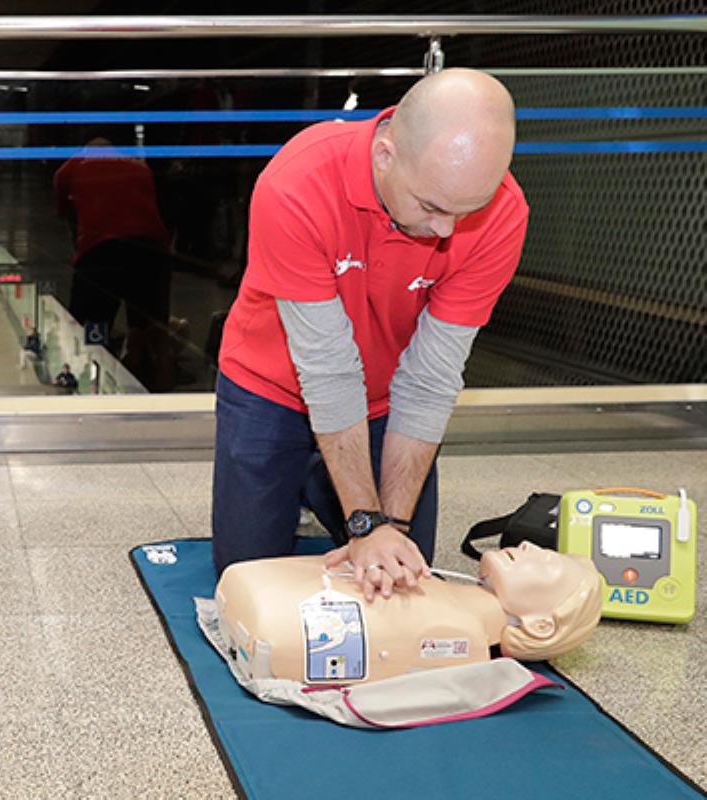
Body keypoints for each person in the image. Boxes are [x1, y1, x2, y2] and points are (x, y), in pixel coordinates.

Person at [212, 69, 528, 600]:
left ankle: (329, 490)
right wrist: (364, 521)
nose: (447, 230)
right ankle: (319, 493)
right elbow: (328, 369)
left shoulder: (503, 214)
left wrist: (390, 527)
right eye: (431, 206)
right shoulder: (299, 182)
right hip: (271, 384)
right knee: (245, 583)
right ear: (385, 155)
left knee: (402, 575)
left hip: (387, 399)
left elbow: (430, 378)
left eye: (467, 210)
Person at [208, 542, 601, 687]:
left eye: (547, 562)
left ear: (541, 625)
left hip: (264, 616)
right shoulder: (443, 587)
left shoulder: (461, 638)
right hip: (257, 598)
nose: (529, 544)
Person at [54, 137, 176, 390]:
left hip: (101, 253)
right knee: (150, 325)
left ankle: (91, 376)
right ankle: (157, 379)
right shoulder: (138, 166)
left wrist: (81, 251)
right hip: (151, 251)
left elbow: (67, 214)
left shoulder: (72, 166)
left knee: (90, 325)